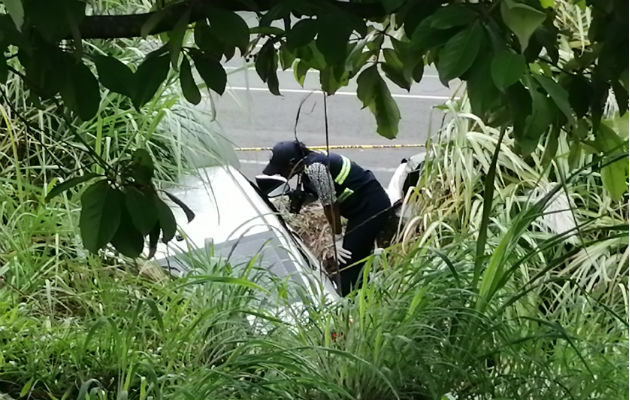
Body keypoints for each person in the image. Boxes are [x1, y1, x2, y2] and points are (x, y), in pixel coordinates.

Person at [262, 140, 391, 296]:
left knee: (349, 263)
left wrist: (337, 237)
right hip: (361, 207)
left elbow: (330, 204)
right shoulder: (310, 161)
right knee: (354, 258)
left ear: (292, 163)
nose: (280, 174)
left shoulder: (315, 168)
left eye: (281, 170)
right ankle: (365, 293)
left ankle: (353, 301)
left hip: (371, 207)